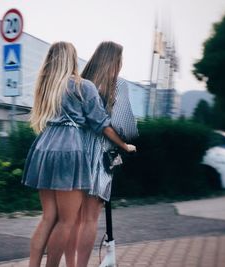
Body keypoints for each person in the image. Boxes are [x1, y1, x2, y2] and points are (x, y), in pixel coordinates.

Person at [22, 41, 136, 267]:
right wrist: (124, 145)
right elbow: (101, 124)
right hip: (69, 149)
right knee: (67, 220)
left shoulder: (47, 87)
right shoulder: (82, 86)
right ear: (71, 59)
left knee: (48, 218)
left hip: (44, 146)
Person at [65, 41, 138, 267]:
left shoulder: (78, 83)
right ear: (115, 61)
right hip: (98, 155)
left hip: (73, 150)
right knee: (89, 219)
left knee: (72, 219)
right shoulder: (117, 85)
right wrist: (128, 140)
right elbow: (125, 125)